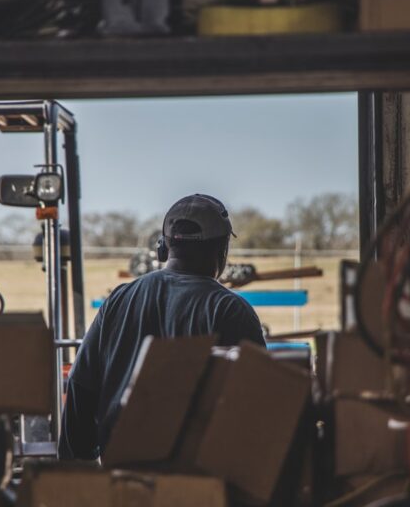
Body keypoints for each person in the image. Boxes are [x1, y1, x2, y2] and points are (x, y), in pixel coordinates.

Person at [58, 194, 265, 460]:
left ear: (163, 248)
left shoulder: (119, 298)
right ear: (222, 248)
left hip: (121, 476)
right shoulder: (230, 310)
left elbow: (81, 386)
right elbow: (257, 405)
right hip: (197, 483)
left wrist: (76, 473)